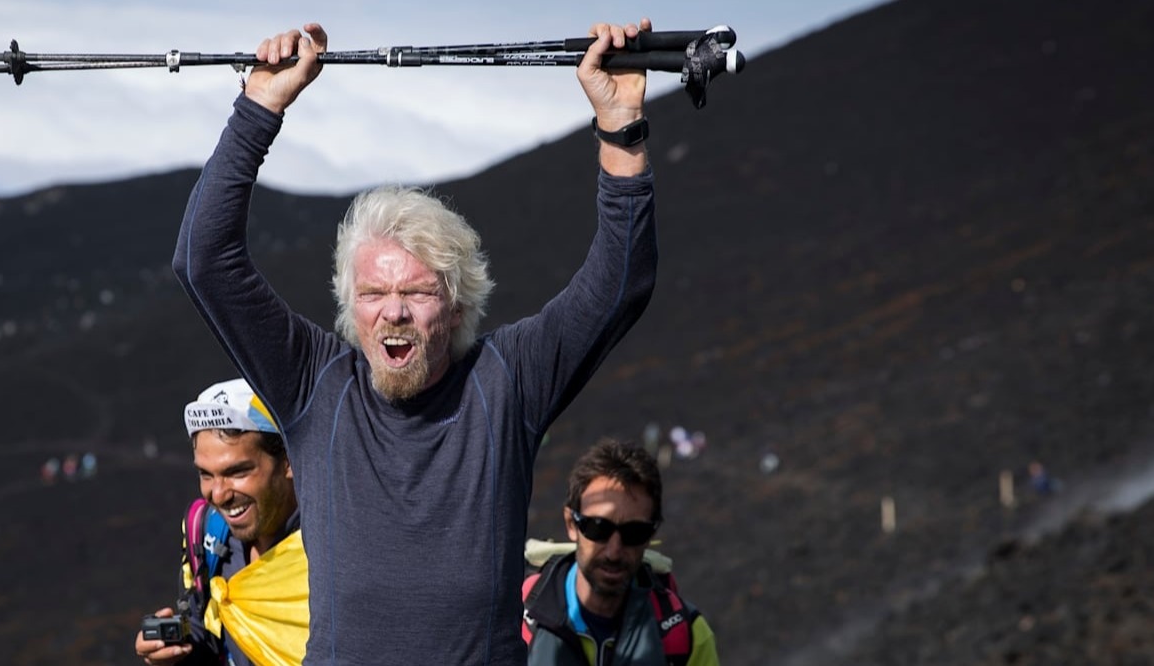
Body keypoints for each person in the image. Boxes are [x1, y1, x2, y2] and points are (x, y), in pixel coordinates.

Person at [173, 19, 659, 665]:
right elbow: (204, 262)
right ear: (350, 306)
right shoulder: (314, 384)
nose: (393, 313)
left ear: (458, 306)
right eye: (373, 295)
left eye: (419, 293)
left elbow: (619, 284)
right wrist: (259, 106)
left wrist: (620, 123)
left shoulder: (507, 380)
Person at [136, 378, 305, 666]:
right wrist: (175, 657)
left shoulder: (338, 548)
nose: (218, 494)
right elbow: (211, 636)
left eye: (237, 472)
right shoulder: (205, 534)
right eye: (206, 474)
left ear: (288, 460)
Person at [521, 440, 718, 665]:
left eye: (634, 532)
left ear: (652, 533)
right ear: (571, 524)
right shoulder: (509, 620)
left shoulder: (688, 637)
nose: (613, 552)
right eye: (598, 527)